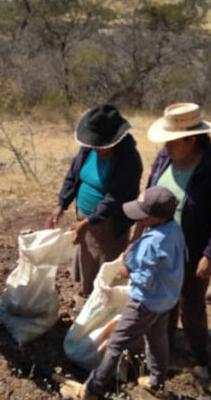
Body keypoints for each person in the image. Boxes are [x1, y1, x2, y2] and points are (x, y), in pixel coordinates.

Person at [60, 186, 186, 400]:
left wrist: (127, 270)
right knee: (158, 338)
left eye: (144, 214)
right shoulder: (173, 230)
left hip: (145, 303)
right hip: (167, 299)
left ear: (156, 217)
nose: (140, 218)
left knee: (116, 344)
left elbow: (145, 280)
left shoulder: (151, 244)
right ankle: (157, 380)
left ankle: (92, 389)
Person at [143, 103, 211, 384]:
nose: (166, 146)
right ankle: (164, 352)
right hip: (161, 246)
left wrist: (210, 255)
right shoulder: (164, 157)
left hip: (193, 251)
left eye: (172, 142)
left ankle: (199, 359)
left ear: (191, 139)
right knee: (162, 303)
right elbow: (149, 194)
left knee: (191, 304)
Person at [46, 104, 142, 300]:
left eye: (102, 146)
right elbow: (73, 176)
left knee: (106, 263)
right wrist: (61, 205)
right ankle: (87, 294)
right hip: (84, 218)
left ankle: (104, 302)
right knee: (87, 256)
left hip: (110, 223)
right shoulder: (87, 150)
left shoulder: (129, 160)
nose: (98, 149)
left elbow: (114, 198)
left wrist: (87, 222)